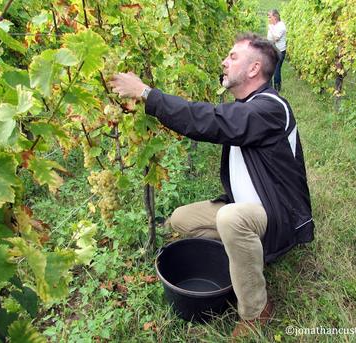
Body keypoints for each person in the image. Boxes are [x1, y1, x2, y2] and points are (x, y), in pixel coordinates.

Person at [109, 33, 314, 338]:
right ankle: (243, 257)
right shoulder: (250, 106)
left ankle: (257, 310)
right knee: (180, 219)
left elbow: (211, 120)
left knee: (230, 219)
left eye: (233, 57)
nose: (224, 61)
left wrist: (147, 94)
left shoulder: (268, 108)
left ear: (254, 69)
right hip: (248, 206)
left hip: (277, 215)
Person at [267, 9, 287, 92]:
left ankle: (277, 89)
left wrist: (270, 29)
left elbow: (276, 38)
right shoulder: (272, 25)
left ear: (275, 17)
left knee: (276, 69)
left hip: (279, 51)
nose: (268, 19)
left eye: (270, 17)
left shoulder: (281, 26)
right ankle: (269, 88)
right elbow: (269, 38)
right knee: (269, 68)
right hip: (272, 50)